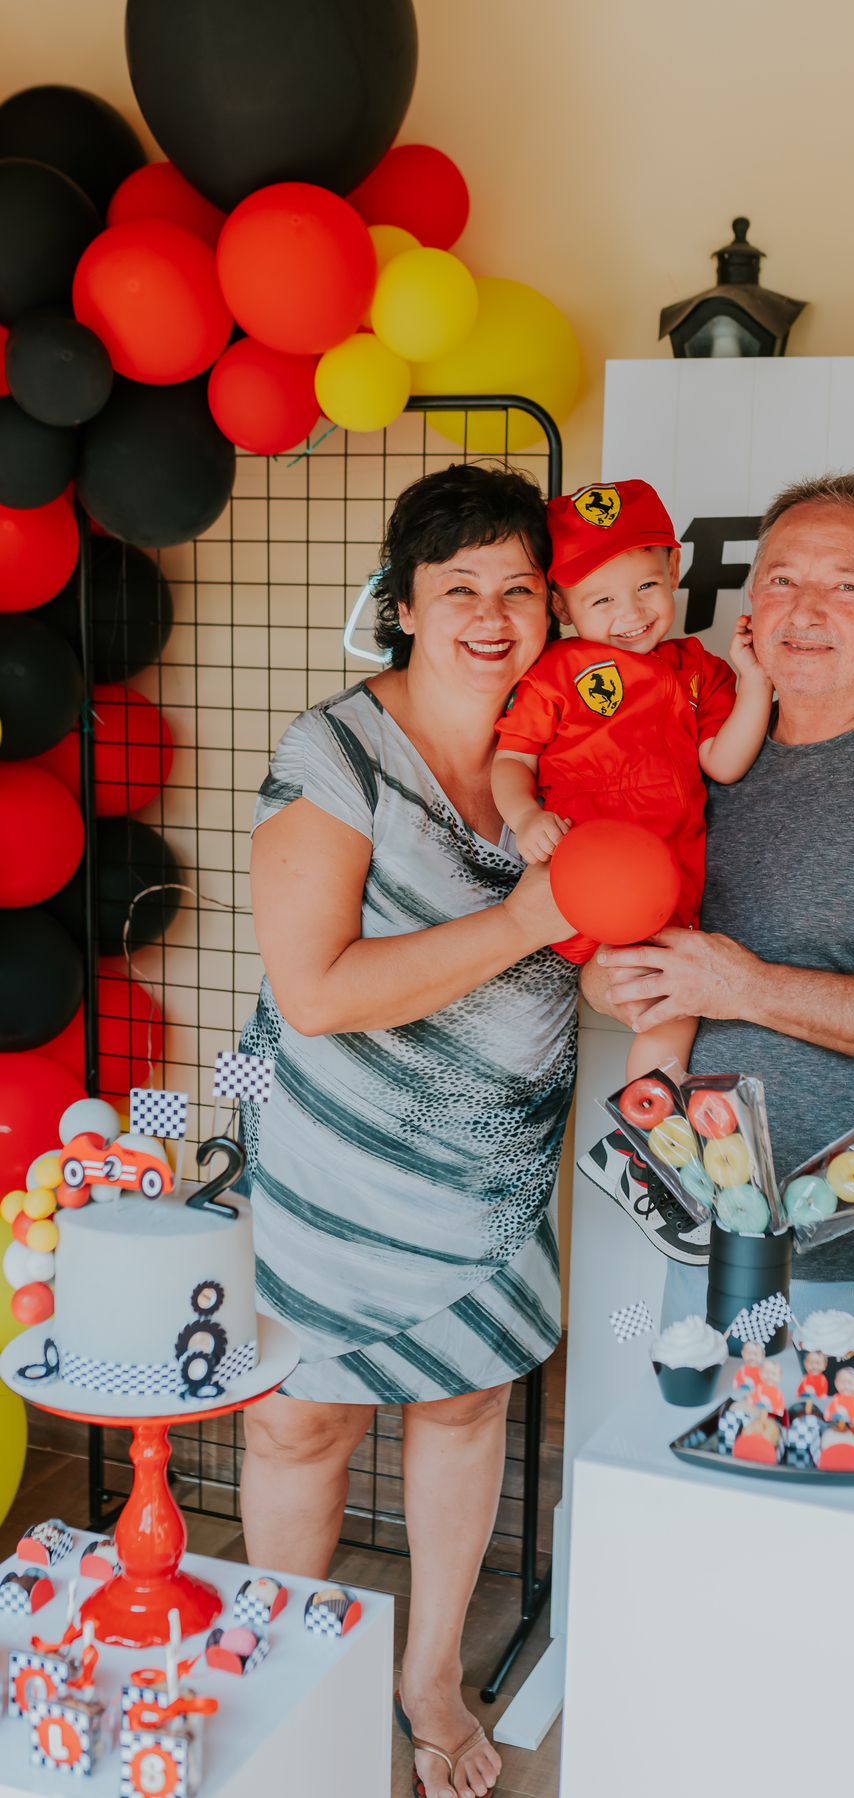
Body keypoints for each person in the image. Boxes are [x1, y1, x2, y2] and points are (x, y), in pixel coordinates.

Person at [239, 463, 577, 1798]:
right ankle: (290, 1666)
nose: (491, 617)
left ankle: (429, 1675)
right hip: (338, 1154)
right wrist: (520, 923)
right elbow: (314, 992)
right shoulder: (333, 753)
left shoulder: (582, 744)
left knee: (467, 1395)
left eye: (517, 589)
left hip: (497, 1168)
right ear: (404, 604)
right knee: (299, 1423)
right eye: (457, 591)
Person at [584, 471, 854, 1350]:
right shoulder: (699, 757)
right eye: (783, 578)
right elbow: (618, 959)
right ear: (751, 602)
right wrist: (618, 981)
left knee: (853, 1481)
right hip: (707, 1231)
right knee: (701, 1471)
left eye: (845, 584)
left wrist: (745, 987)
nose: (806, 608)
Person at [491, 478, 773, 1084]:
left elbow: (724, 761)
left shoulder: (698, 670)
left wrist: (755, 682)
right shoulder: (554, 671)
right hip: (583, 877)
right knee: (624, 996)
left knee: (670, 1008)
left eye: (646, 585)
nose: (632, 613)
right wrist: (525, 818)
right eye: (601, 601)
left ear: (674, 567)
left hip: (667, 886)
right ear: (561, 607)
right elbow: (513, 760)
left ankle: (655, 1125)